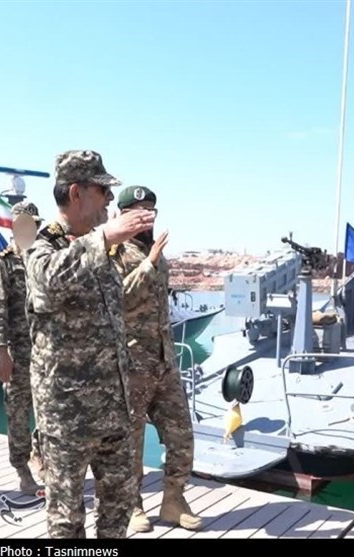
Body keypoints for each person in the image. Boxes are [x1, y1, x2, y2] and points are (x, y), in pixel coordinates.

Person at [24, 149, 155, 538]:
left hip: (113, 410)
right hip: (68, 417)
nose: (111, 199)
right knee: (67, 519)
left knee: (118, 509)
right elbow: (48, 280)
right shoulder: (43, 244)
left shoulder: (100, 248)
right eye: (102, 190)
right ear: (76, 193)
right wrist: (105, 237)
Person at [107, 185, 202, 533]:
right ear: (123, 214)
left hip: (164, 361)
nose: (146, 217)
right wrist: (149, 264)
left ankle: (174, 500)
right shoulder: (113, 253)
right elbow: (118, 300)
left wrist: (154, 259)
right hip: (132, 363)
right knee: (130, 440)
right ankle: (132, 505)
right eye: (139, 211)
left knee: (181, 434)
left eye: (151, 211)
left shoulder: (156, 252)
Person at [0, 202, 45, 493]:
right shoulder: (4, 263)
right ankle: (22, 468)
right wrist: (1, 351)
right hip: (17, 352)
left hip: (45, 352)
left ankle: (40, 455)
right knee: (18, 413)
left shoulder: (43, 258)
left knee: (48, 409)